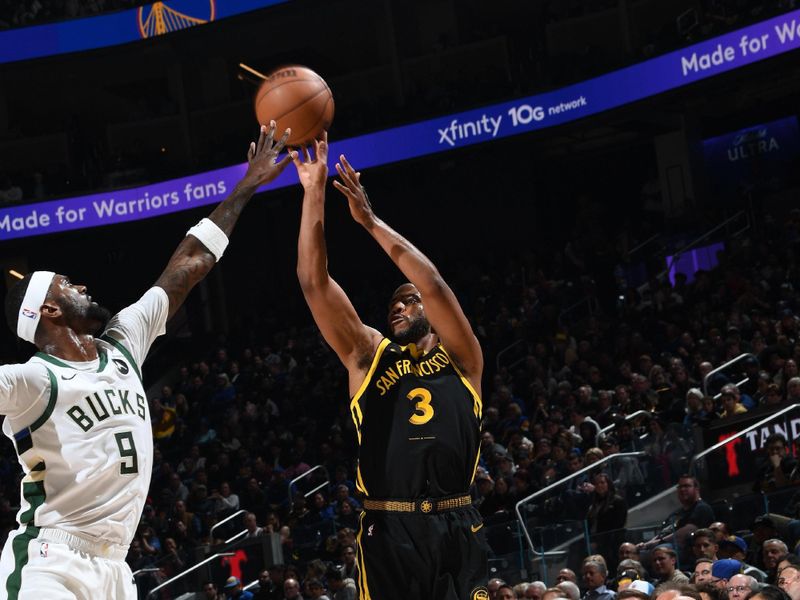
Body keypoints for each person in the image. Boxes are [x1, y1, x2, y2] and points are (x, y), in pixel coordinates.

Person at [0, 124, 293, 599]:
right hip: (49, 562)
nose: (83, 288)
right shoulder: (32, 379)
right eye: (68, 285)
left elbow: (189, 265)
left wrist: (246, 186)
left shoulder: (123, 345)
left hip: (116, 569)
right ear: (49, 310)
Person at [293, 134, 487, 600]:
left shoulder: (463, 359)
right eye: (392, 305)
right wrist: (313, 191)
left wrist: (371, 221)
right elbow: (313, 283)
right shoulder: (369, 355)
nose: (397, 309)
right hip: (389, 526)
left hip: (457, 521)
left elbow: (434, 283)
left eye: (407, 300)